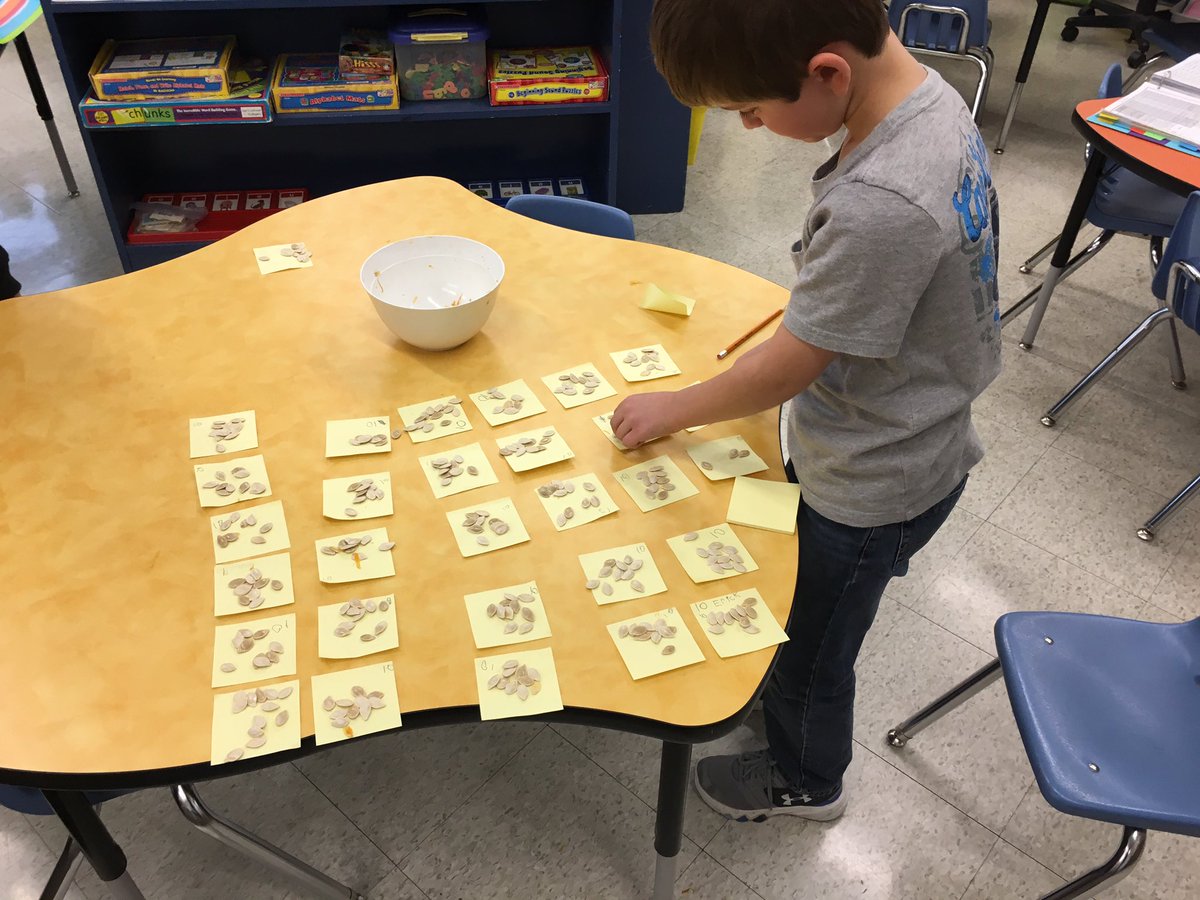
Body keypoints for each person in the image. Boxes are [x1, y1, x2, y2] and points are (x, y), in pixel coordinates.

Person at [610, 0, 1001, 822]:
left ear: (828, 73)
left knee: (815, 653)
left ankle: (806, 778)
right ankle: (787, 711)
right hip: (904, 434)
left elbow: (790, 365)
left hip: (872, 481)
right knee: (797, 605)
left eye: (751, 109)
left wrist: (676, 409)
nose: (749, 128)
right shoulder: (929, 93)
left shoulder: (882, 200)